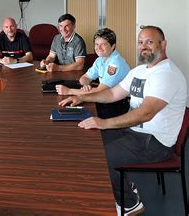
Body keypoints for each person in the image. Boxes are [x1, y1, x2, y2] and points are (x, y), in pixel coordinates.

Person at [59, 26, 187, 215]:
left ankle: (130, 204)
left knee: (100, 158)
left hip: (155, 142)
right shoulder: (140, 70)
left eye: (149, 42)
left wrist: (104, 123)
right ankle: (124, 185)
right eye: (140, 42)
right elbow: (111, 93)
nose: (143, 46)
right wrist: (83, 98)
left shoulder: (166, 74)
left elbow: (146, 113)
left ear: (163, 44)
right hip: (134, 132)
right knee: (89, 143)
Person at [56, 28, 131, 118]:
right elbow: (85, 77)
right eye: (96, 44)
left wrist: (69, 91)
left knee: (79, 115)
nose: (98, 48)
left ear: (113, 46)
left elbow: (101, 90)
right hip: (105, 99)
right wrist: (85, 86)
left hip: (118, 106)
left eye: (103, 44)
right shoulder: (100, 59)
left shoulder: (115, 64)